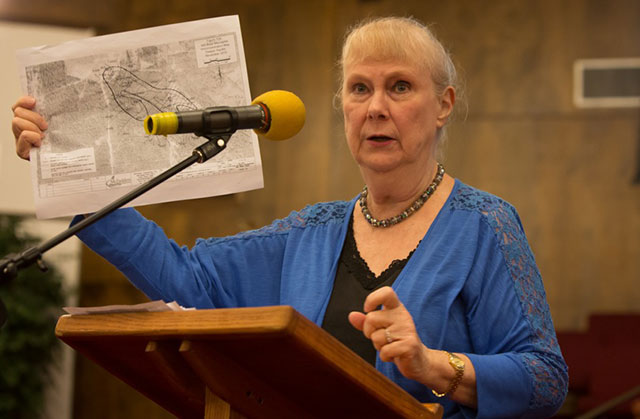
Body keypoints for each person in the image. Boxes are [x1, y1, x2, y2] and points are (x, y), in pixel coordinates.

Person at [11, 16, 568, 418]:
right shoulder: (310, 231)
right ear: (343, 107)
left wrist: (434, 365)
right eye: (359, 88)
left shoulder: (485, 224)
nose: (376, 106)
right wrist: (68, 168)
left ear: (443, 104)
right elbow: (187, 279)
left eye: (400, 86)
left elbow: (545, 378)